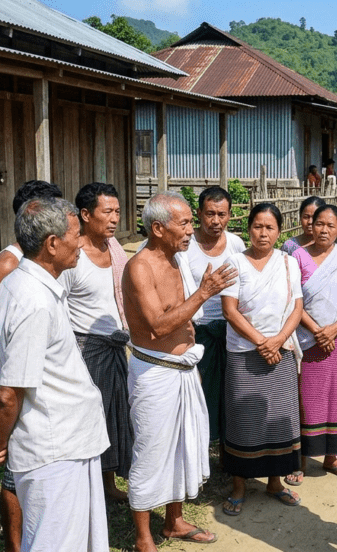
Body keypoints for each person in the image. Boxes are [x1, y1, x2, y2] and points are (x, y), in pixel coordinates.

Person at [0, 197, 110, 552]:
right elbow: (8, 393)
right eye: (76, 235)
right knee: (57, 542)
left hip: (67, 442)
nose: (81, 243)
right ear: (52, 244)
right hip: (54, 449)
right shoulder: (33, 299)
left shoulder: (28, 285)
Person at [121, 193, 237, 549]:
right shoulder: (140, 266)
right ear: (158, 228)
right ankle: (143, 537)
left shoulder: (177, 260)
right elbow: (157, 325)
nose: (191, 230)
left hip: (183, 368)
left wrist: (191, 365)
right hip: (155, 372)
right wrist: (204, 293)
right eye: (184, 223)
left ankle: (174, 520)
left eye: (190, 222)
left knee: (183, 446)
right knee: (152, 451)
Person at [0, 179, 62, 552]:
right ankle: (14, 543)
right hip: (16, 384)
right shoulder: (10, 263)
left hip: (35, 382)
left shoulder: (44, 261)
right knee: (14, 467)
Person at [220, 203, 305, 516]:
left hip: (280, 352)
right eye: (258, 226)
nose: (263, 233)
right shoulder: (234, 262)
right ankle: (240, 486)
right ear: (249, 229)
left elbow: (297, 307)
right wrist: (261, 343)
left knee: (277, 419)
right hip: (244, 353)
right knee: (244, 419)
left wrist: (278, 341)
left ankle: (274, 482)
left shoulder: (288, 263)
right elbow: (230, 310)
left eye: (270, 227)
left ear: (279, 231)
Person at [58, 183, 133, 501]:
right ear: (85, 215)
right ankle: (82, 491)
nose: (114, 218)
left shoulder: (116, 250)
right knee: (89, 421)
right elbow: (59, 310)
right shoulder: (72, 257)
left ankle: (107, 485)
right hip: (86, 351)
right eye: (107, 212)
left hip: (116, 348)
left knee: (115, 417)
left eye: (117, 211)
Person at [285, 204, 337, 486]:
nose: (324, 230)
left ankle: (332, 457)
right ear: (310, 226)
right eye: (319, 224)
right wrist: (318, 331)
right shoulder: (296, 257)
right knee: (306, 399)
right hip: (308, 340)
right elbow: (293, 299)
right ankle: (301, 460)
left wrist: (336, 327)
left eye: (330, 225)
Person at [186, 186, 247, 443]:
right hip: (198, 329)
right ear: (198, 213)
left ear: (230, 215)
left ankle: (228, 444)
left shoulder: (235, 244)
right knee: (201, 390)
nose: (216, 221)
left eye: (222, 214)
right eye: (210, 213)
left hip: (231, 327)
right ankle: (203, 443)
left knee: (231, 388)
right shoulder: (186, 245)